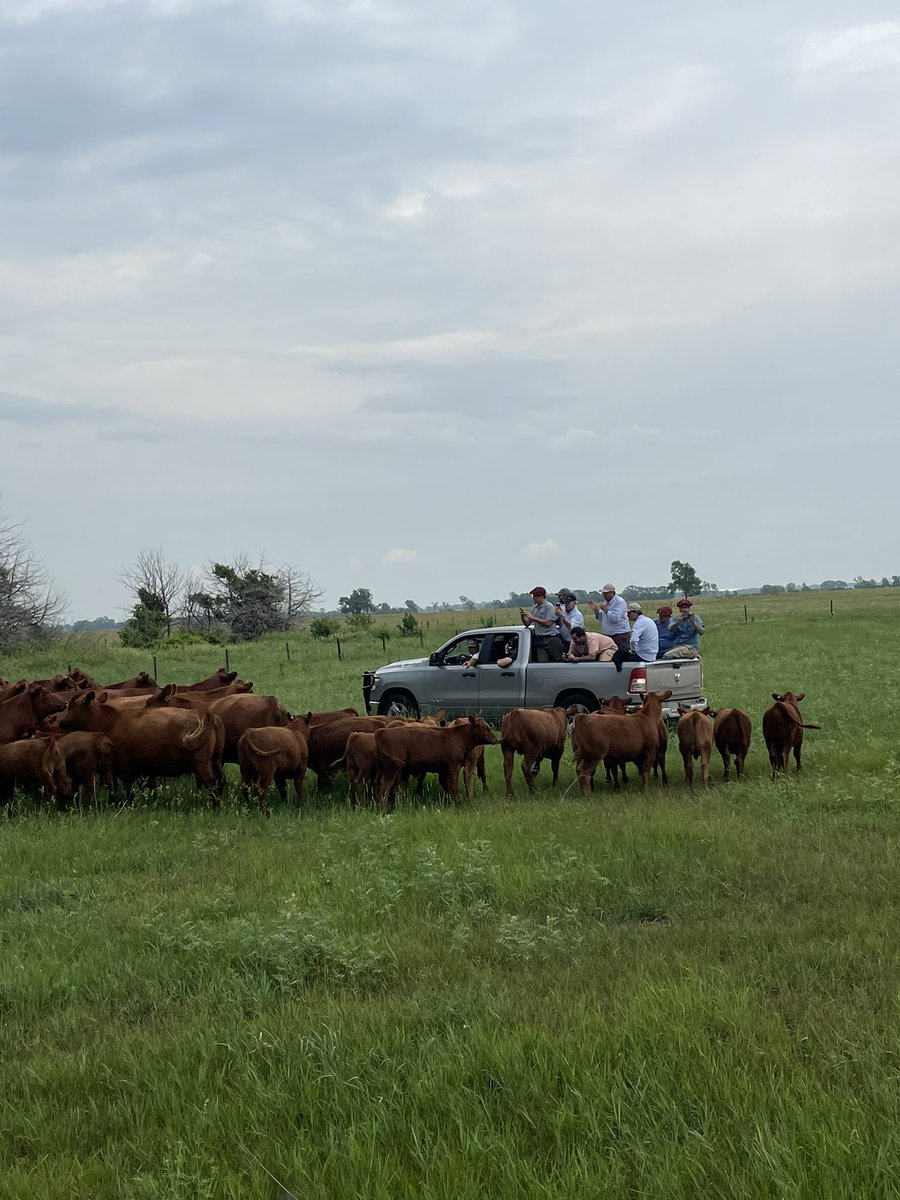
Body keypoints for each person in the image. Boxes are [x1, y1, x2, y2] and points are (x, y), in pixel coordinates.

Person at [519, 586, 564, 662]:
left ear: (542, 596)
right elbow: (527, 624)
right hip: (539, 639)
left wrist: (533, 618)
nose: (534, 598)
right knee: (542, 662)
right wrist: (523, 617)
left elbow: (548, 623)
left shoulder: (549, 607)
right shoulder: (534, 608)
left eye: (536, 596)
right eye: (533, 596)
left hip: (551, 639)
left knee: (557, 661)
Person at [612, 601, 659, 672]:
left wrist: (633, 650)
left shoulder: (639, 623)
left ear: (635, 612)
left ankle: (619, 672)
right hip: (652, 655)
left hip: (643, 656)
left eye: (629, 613)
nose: (627, 615)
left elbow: (633, 640)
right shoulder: (649, 620)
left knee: (617, 655)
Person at [588, 583, 630, 651]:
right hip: (609, 634)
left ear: (611, 593)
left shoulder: (620, 602)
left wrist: (606, 610)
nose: (603, 595)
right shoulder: (606, 602)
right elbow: (601, 618)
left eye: (605, 593)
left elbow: (616, 619)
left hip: (619, 634)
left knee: (621, 654)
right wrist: (596, 610)